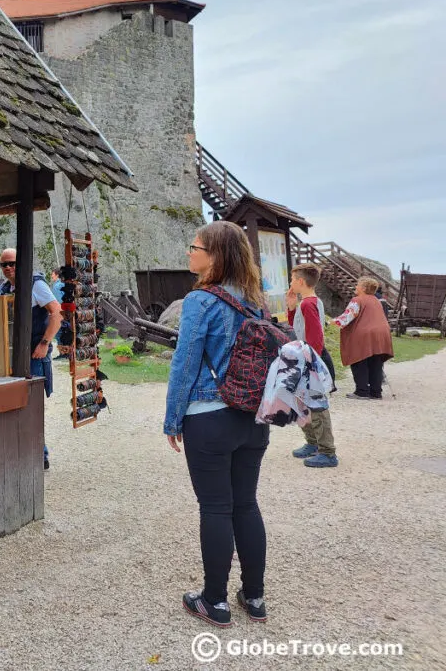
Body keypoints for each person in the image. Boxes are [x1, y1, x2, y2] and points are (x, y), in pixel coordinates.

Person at [164, 221, 270, 628]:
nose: (189, 253)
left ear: (215, 256)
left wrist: (173, 418)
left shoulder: (200, 301)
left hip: (209, 416)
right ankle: (255, 596)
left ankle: (215, 601)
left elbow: (185, 362)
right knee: (246, 504)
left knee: (215, 507)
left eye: (195, 247)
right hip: (253, 417)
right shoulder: (254, 301)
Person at [0, 248, 62, 470]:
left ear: (22, 262)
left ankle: (39, 455)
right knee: (15, 405)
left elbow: (56, 313)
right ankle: (23, 453)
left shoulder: (36, 284)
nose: (8, 268)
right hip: (13, 355)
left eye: (12, 263)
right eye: (4, 265)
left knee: (32, 407)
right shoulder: (5, 289)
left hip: (34, 355)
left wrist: (44, 344)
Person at [286, 264, 338, 468]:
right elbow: (297, 329)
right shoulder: (307, 303)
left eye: (292, 279)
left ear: (300, 281)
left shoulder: (309, 304)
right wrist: (291, 308)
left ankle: (327, 451)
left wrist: (310, 363)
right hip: (305, 357)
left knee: (317, 404)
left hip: (311, 359)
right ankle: (313, 443)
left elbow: (315, 337)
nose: (290, 283)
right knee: (301, 402)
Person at [333, 277, 394, 400]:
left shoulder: (357, 300)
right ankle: (376, 393)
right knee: (376, 363)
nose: (356, 287)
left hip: (365, 334)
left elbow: (347, 317)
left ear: (364, 288)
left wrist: (331, 322)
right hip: (382, 334)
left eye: (358, 285)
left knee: (358, 360)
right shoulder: (376, 300)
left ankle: (362, 391)